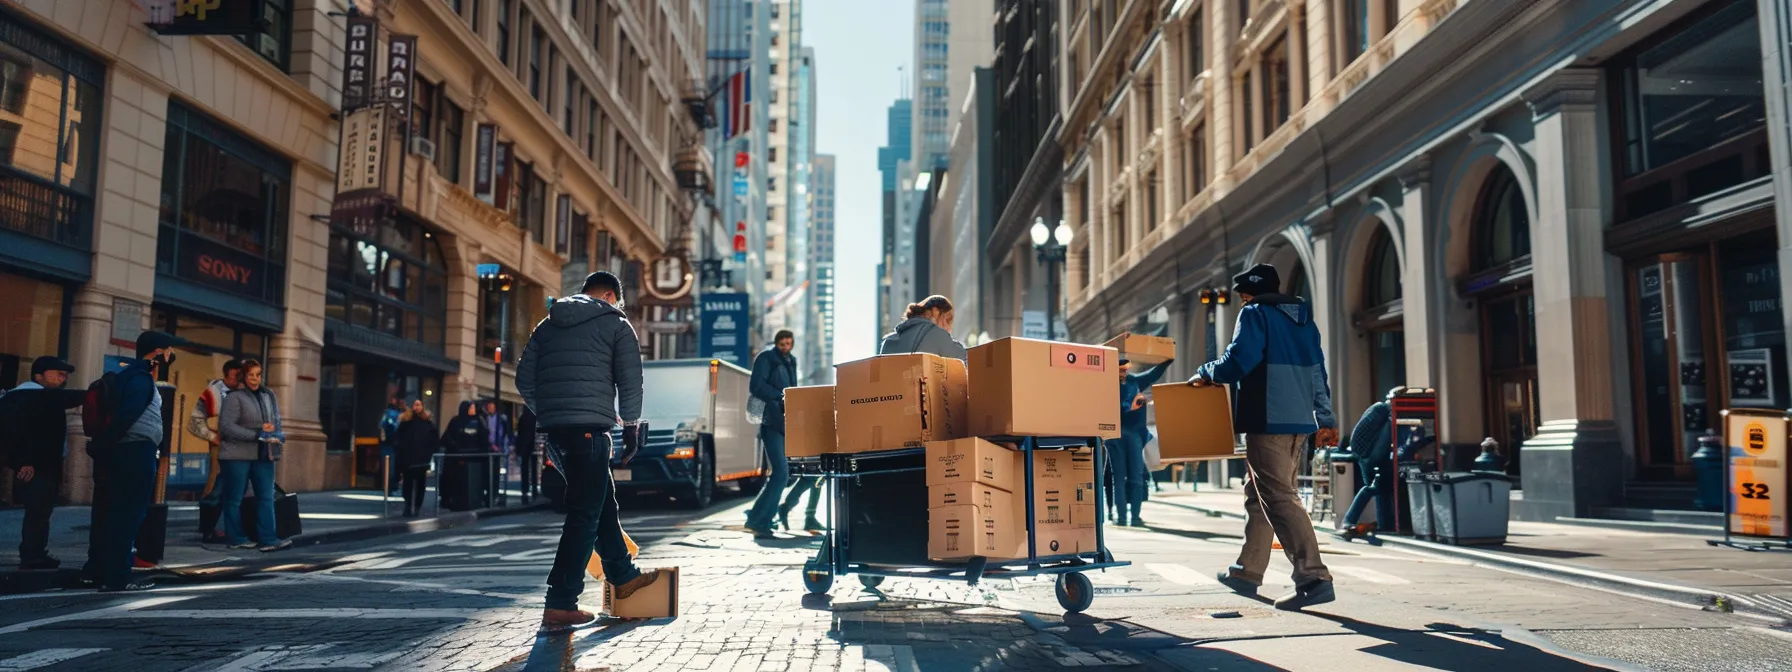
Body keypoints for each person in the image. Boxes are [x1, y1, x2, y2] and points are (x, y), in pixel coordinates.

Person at [1187, 263, 1338, 611]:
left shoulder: (1255, 313)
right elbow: (1318, 371)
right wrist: (1326, 418)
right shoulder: (1304, 320)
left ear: (1249, 293)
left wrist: (1206, 372)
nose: (1241, 302)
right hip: (1300, 421)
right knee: (1259, 494)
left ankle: (1313, 577)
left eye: (1242, 296)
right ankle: (1247, 571)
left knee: (1278, 497)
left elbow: (1238, 361)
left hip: (1268, 418)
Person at [516, 270, 658, 628]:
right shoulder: (616, 323)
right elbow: (630, 381)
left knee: (601, 505)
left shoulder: (547, 325)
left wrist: (552, 412)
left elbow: (522, 379)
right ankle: (560, 602)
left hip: (556, 435)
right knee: (584, 514)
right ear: (610, 296)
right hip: (590, 434)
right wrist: (629, 426)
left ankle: (622, 575)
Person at [85, 330, 188, 592]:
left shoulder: (131, 376)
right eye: (168, 351)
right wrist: (104, 446)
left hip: (124, 451)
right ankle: (117, 577)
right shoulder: (140, 379)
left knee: (114, 513)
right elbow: (127, 417)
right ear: (157, 353)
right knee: (128, 514)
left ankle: (102, 572)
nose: (170, 356)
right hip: (134, 452)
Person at [0, 357, 86, 570]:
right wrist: (23, 462)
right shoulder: (26, 396)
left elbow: (72, 397)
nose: (62, 378)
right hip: (34, 466)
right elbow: (13, 434)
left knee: (41, 512)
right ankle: (32, 555)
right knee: (37, 512)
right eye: (57, 373)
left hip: (44, 464)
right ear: (38, 375)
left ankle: (36, 552)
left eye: (64, 374)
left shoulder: (44, 397)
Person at [217, 359, 291, 553]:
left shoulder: (269, 395)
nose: (255, 379)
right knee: (234, 498)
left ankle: (268, 539)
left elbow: (276, 420)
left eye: (258, 374)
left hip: (264, 454)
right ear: (243, 375)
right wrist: (256, 433)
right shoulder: (234, 397)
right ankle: (236, 538)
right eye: (251, 375)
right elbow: (226, 426)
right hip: (236, 455)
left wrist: (278, 436)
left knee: (266, 497)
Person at [744, 329, 798, 539]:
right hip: (770, 421)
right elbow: (756, 386)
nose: (785, 347)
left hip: (784, 422)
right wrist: (781, 395)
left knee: (783, 474)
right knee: (781, 473)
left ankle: (757, 517)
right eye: (782, 343)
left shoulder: (791, 361)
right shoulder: (767, 358)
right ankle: (760, 521)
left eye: (788, 343)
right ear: (776, 343)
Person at [1109, 356, 1172, 527]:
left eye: (1125, 369)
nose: (1124, 372)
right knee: (1125, 478)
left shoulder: (1131, 381)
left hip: (1125, 435)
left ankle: (1130, 517)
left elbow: (1153, 374)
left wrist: (1167, 360)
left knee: (1128, 478)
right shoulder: (1113, 384)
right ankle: (1126, 517)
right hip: (1119, 436)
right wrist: (1129, 406)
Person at [187, 359, 244, 543]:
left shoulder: (244, 392)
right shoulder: (213, 393)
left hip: (242, 445)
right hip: (221, 445)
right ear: (227, 375)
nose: (239, 379)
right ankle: (208, 528)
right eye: (236, 376)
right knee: (216, 486)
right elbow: (195, 420)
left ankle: (228, 527)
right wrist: (213, 438)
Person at [1337, 388, 1398, 539]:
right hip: (1371, 455)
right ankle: (1350, 520)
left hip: (1363, 454)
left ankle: (1385, 525)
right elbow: (1384, 438)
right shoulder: (1387, 416)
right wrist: (1376, 458)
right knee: (1373, 487)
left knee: (1380, 489)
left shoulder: (1377, 409)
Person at [879, 295, 968, 360]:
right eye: (948, 320)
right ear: (935, 312)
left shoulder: (888, 343)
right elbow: (969, 362)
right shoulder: (936, 335)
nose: (949, 328)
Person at [441, 401, 491, 509]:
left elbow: (484, 438)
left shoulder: (479, 421)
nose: (473, 410)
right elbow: (447, 437)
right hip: (457, 458)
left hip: (474, 458)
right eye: (471, 408)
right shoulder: (456, 421)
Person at [393, 399, 439, 517]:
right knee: (407, 484)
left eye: (419, 405)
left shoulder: (428, 423)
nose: (417, 407)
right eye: (415, 405)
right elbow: (398, 439)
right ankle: (408, 506)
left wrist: (430, 455)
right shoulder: (406, 423)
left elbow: (434, 441)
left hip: (422, 459)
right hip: (408, 459)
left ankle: (417, 507)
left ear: (422, 407)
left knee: (420, 484)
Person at [515, 406, 540, 503]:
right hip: (533, 444)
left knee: (525, 469)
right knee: (534, 468)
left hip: (525, 445)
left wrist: (519, 448)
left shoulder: (523, 417)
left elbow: (519, 433)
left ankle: (525, 490)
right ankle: (534, 489)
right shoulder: (535, 417)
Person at [379, 397, 403, 492]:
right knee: (393, 466)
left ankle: (387, 486)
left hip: (386, 443)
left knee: (387, 466)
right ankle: (392, 485)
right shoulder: (398, 415)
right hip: (395, 443)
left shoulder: (386, 415)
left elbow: (381, 426)